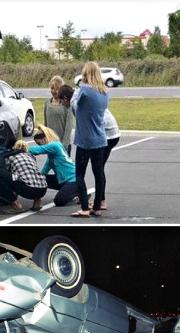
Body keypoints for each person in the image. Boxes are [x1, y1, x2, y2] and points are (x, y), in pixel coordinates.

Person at [70, 61, 109, 218]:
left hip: (85, 139)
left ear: (85, 74)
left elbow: (74, 106)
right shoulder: (104, 92)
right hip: (99, 138)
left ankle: (85, 207)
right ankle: (98, 206)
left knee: (79, 173)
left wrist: (74, 94)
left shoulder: (84, 90)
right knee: (98, 173)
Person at [0, 140, 47, 213]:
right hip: (43, 189)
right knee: (30, 175)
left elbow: (6, 172)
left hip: (28, 189)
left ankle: (16, 205)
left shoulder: (11, 156)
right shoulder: (30, 156)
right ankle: (37, 202)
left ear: (14, 147)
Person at [28, 124, 78, 207]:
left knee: (59, 201)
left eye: (39, 143)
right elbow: (43, 173)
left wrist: (21, 147)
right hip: (64, 181)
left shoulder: (55, 146)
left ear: (45, 138)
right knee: (41, 178)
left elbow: (37, 150)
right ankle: (72, 192)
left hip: (73, 180)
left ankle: (77, 195)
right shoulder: (51, 156)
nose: (40, 146)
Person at [89, 107, 120, 210]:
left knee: (98, 169)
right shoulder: (97, 97)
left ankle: (101, 202)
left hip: (107, 136)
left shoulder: (83, 102)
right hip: (113, 134)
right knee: (99, 168)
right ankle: (101, 201)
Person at [44, 76, 75, 155]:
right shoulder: (47, 103)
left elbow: (69, 127)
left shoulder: (66, 104)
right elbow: (46, 125)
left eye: (57, 89)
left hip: (63, 146)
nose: (54, 91)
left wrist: (64, 146)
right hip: (51, 145)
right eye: (52, 88)